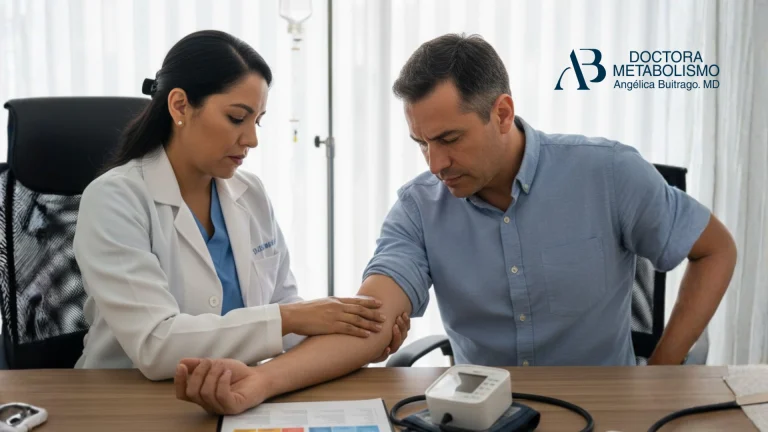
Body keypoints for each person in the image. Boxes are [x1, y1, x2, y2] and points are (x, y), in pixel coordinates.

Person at [175, 33, 737, 414]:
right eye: (421, 142)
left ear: (501, 112)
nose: (434, 164)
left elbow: (715, 249)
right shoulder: (419, 207)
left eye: (449, 139)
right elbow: (370, 320)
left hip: (606, 405)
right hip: (480, 413)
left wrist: (661, 372)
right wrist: (260, 382)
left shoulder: (608, 172)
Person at [73, 30, 409, 380]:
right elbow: (156, 346)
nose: (251, 139)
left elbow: (287, 315)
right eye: (237, 117)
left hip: (232, 391)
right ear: (179, 105)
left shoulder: (250, 193)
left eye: (257, 121)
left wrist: (357, 336)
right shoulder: (115, 200)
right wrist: (290, 318)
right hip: (124, 399)